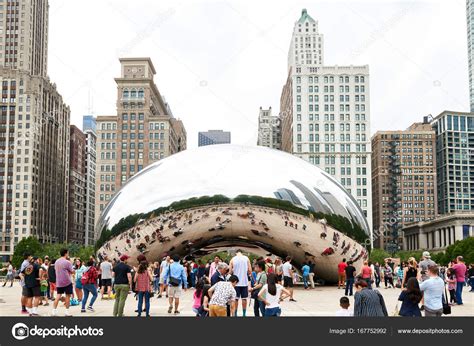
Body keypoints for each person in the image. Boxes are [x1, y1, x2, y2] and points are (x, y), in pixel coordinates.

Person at [52, 249, 75, 317]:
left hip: (59, 281)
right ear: (65, 254)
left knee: (58, 296)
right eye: (68, 253)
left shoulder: (56, 261)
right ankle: (67, 312)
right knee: (68, 296)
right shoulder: (67, 262)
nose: (68, 254)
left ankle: (54, 311)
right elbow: (72, 271)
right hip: (67, 281)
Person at [229, 249, 252, 316]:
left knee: (235, 299)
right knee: (244, 298)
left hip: (235, 283)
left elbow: (230, 272)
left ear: (236, 253)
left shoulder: (233, 259)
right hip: (244, 282)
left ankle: (235, 314)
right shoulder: (246, 258)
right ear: (242, 252)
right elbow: (250, 271)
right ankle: (244, 314)